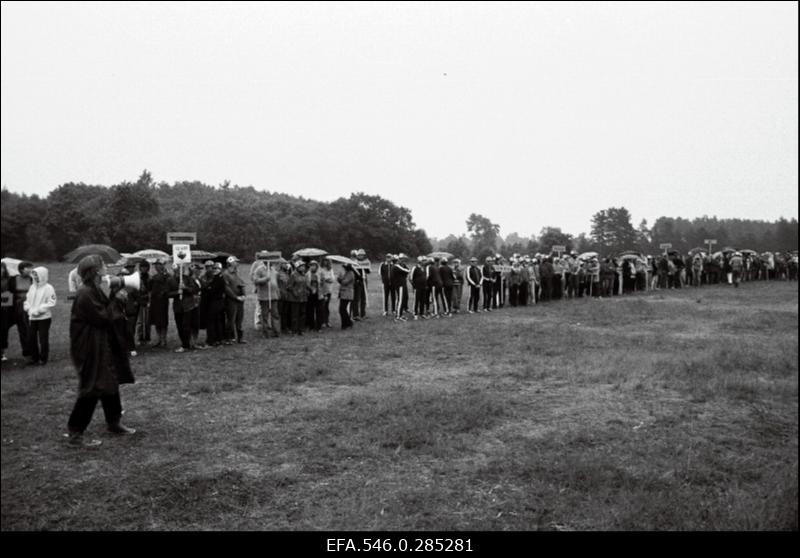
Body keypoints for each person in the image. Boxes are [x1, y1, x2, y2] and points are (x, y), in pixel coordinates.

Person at [66, 255, 136, 447]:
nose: (106, 268)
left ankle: (114, 422)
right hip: (89, 347)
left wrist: (113, 296)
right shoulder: (85, 293)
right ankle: (75, 432)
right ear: (96, 271)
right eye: (103, 265)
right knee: (93, 385)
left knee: (110, 380)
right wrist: (116, 299)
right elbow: (103, 318)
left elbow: (104, 311)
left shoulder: (94, 289)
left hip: (100, 344)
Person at [23, 266, 56, 365]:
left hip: (44, 318)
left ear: (43, 275)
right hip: (32, 317)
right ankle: (34, 357)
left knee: (43, 338)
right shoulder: (32, 287)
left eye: (38, 275)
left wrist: (39, 310)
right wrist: (28, 309)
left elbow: (51, 302)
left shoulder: (49, 288)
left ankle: (43, 358)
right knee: (31, 338)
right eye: (34, 275)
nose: (36, 277)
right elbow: (27, 300)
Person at [9, 261, 33, 359]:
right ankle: (26, 351)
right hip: (18, 307)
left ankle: (31, 349)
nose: (31, 270)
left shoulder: (32, 279)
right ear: (22, 269)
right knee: (23, 328)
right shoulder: (14, 280)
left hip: (30, 306)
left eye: (31, 268)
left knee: (30, 328)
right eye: (28, 268)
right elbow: (9, 293)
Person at [222, 256, 247, 344]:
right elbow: (227, 288)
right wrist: (236, 297)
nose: (237, 263)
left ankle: (240, 338)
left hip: (240, 300)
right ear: (231, 263)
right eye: (236, 262)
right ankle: (228, 338)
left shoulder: (237, 273)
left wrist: (244, 295)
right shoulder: (226, 274)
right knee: (231, 319)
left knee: (239, 319)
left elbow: (241, 284)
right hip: (231, 300)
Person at [253, 260, 280, 338]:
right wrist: (265, 279)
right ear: (265, 261)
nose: (271, 262)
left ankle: (276, 332)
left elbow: (275, 282)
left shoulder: (273, 269)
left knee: (275, 314)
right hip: (264, 297)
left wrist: (277, 292)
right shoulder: (259, 269)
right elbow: (255, 280)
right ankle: (265, 332)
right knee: (265, 315)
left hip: (273, 296)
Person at [148, 258, 171, 347]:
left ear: (162, 265)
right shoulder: (153, 276)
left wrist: (163, 292)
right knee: (156, 320)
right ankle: (159, 339)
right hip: (154, 300)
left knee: (163, 321)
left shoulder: (167, 275)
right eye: (156, 264)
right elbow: (149, 287)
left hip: (163, 300)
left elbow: (168, 285)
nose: (157, 266)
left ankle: (163, 339)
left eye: (159, 264)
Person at [287, 260, 308, 335]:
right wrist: (294, 292)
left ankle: (301, 329)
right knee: (295, 315)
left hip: (303, 297)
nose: (303, 268)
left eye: (304, 266)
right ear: (297, 267)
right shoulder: (293, 275)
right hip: (295, 298)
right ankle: (294, 330)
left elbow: (305, 285)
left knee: (303, 314)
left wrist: (307, 291)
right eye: (301, 266)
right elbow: (289, 286)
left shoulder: (304, 275)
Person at [135, 260, 152, 345]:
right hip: (139, 301)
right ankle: (140, 338)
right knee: (140, 322)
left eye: (145, 267)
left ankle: (148, 338)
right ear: (140, 268)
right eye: (142, 267)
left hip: (148, 300)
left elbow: (151, 289)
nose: (144, 268)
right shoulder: (137, 277)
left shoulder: (150, 277)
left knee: (148, 321)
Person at [391, 254, 410, 321]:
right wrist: (405, 267)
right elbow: (407, 271)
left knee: (402, 300)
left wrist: (404, 267)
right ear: (398, 260)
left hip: (402, 284)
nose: (402, 261)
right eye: (401, 259)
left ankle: (400, 314)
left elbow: (406, 270)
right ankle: (398, 316)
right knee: (400, 300)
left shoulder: (399, 266)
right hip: (400, 285)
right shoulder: (396, 266)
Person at [1, 262, 13, 362]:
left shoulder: (8, 281)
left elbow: (9, 296)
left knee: (3, 331)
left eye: (2, 268)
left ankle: (2, 353)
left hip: (4, 309)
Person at [337, 263, 355, 329]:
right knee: (342, 309)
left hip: (347, 294)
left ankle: (348, 323)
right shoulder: (347, 273)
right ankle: (345, 324)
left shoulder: (351, 273)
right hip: (343, 293)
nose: (344, 268)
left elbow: (345, 282)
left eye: (344, 267)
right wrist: (339, 277)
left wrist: (339, 280)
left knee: (342, 309)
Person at [305, 260, 322, 331]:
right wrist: (311, 288)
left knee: (319, 311)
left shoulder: (320, 274)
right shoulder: (307, 274)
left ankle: (318, 327)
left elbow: (323, 283)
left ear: (316, 266)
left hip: (318, 294)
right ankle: (311, 326)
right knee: (310, 311)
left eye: (314, 265)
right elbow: (306, 283)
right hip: (310, 294)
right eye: (311, 265)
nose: (313, 267)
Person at [319, 258, 335, 328]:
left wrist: (328, 279)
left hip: (328, 290)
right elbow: (320, 278)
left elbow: (333, 279)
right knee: (322, 306)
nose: (325, 262)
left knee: (326, 306)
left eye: (326, 260)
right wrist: (325, 279)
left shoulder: (330, 269)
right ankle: (322, 321)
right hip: (322, 290)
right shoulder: (320, 269)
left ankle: (327, 321)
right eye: (324, 260)